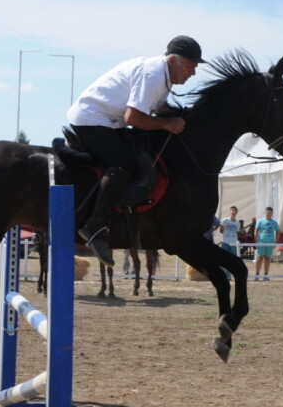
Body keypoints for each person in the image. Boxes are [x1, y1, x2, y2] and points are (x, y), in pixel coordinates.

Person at [67, 35, 205, 267]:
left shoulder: (163, 75)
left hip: (108, 120)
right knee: (124, 164)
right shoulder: (152, 75)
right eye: (190, 67)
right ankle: (94, 226)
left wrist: (180, 114)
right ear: (173, 60)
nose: (192, 73)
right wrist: (166, 124)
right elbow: (134, 117)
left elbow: (157, 106)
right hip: (91, 119)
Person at [254, 207, 280, 281]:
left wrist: (276, 241)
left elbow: (278, 232)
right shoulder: (260, 221)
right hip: (261, 242)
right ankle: (257, 274)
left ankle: (266, 274)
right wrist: (256, 241)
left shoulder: (274, 222)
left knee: (268, 258)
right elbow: (256, 231)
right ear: (264, 213)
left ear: (272, 214)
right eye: (267, 213)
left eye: (270, 213)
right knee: (259, 258)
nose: (268, 214)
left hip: (270, 243)